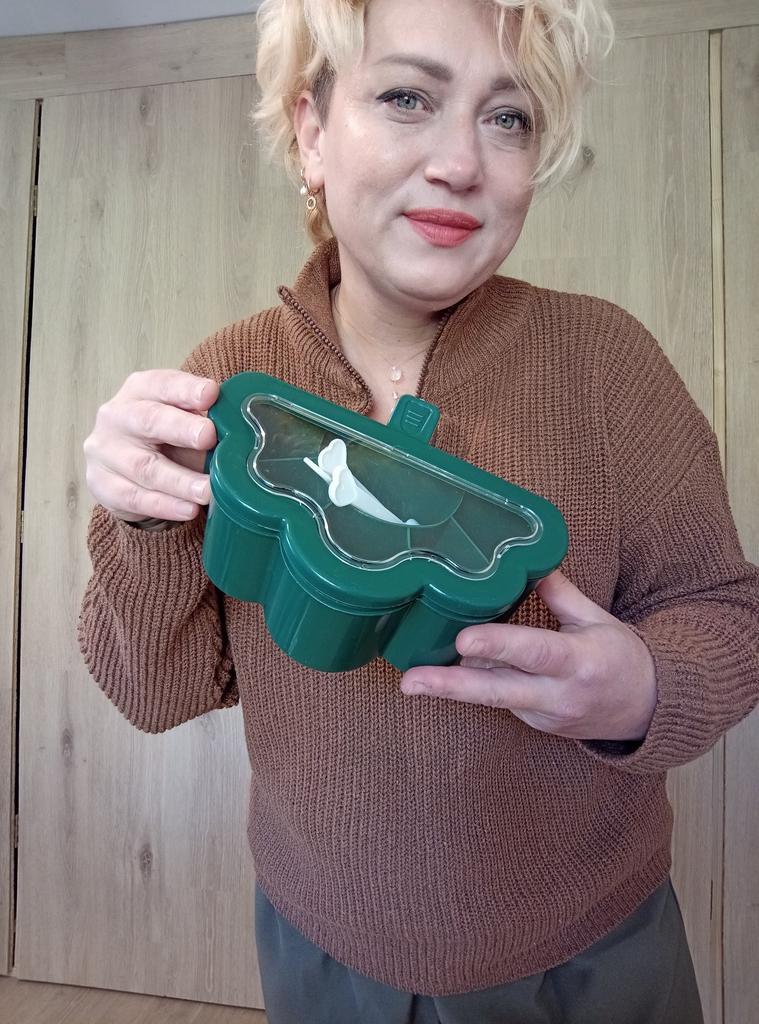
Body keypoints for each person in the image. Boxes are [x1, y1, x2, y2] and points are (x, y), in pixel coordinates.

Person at [78, 1, 759, 1021]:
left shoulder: (607, 364)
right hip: (321, 947)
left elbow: (727, 612)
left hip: (589, 951)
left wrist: (647, 687)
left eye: (508, 117)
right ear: (312, 130)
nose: (460, 163)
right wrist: (138, 525)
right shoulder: (227, 384)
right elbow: (153, 691)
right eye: (407, 97)